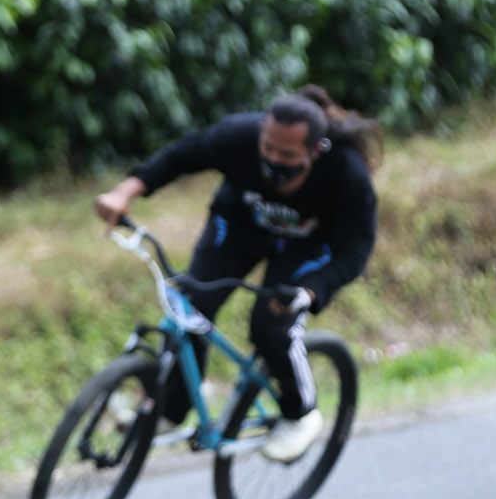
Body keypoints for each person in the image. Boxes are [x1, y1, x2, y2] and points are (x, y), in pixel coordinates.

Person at [95, 85, 379, 463]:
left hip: (306, 247)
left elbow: (356, 247)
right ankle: (170, 409)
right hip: (240, 228)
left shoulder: (346, 172)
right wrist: (126, 191)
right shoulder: (239, 136)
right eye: (268, 147)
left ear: (315, 150)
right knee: (189, 305)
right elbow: (182, 155)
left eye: (287, 154)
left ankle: (300, 414)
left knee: (270, 325)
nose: (274, 158)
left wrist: (311, 293)